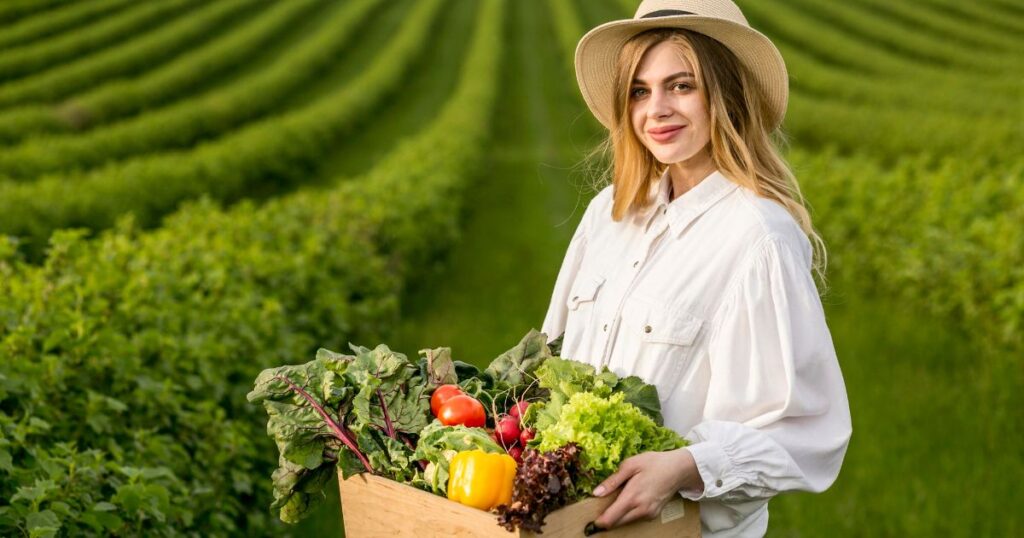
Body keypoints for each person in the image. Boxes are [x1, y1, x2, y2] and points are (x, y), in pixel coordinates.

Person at [540, 1, 852, 536]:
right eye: (640, 91)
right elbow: (552, 358)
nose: (656, 109)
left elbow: (808, 431)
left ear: (724, 95)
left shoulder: (759, 238)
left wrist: (687, 464)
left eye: (681, 86)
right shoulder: (609, 213)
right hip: (581, 520)